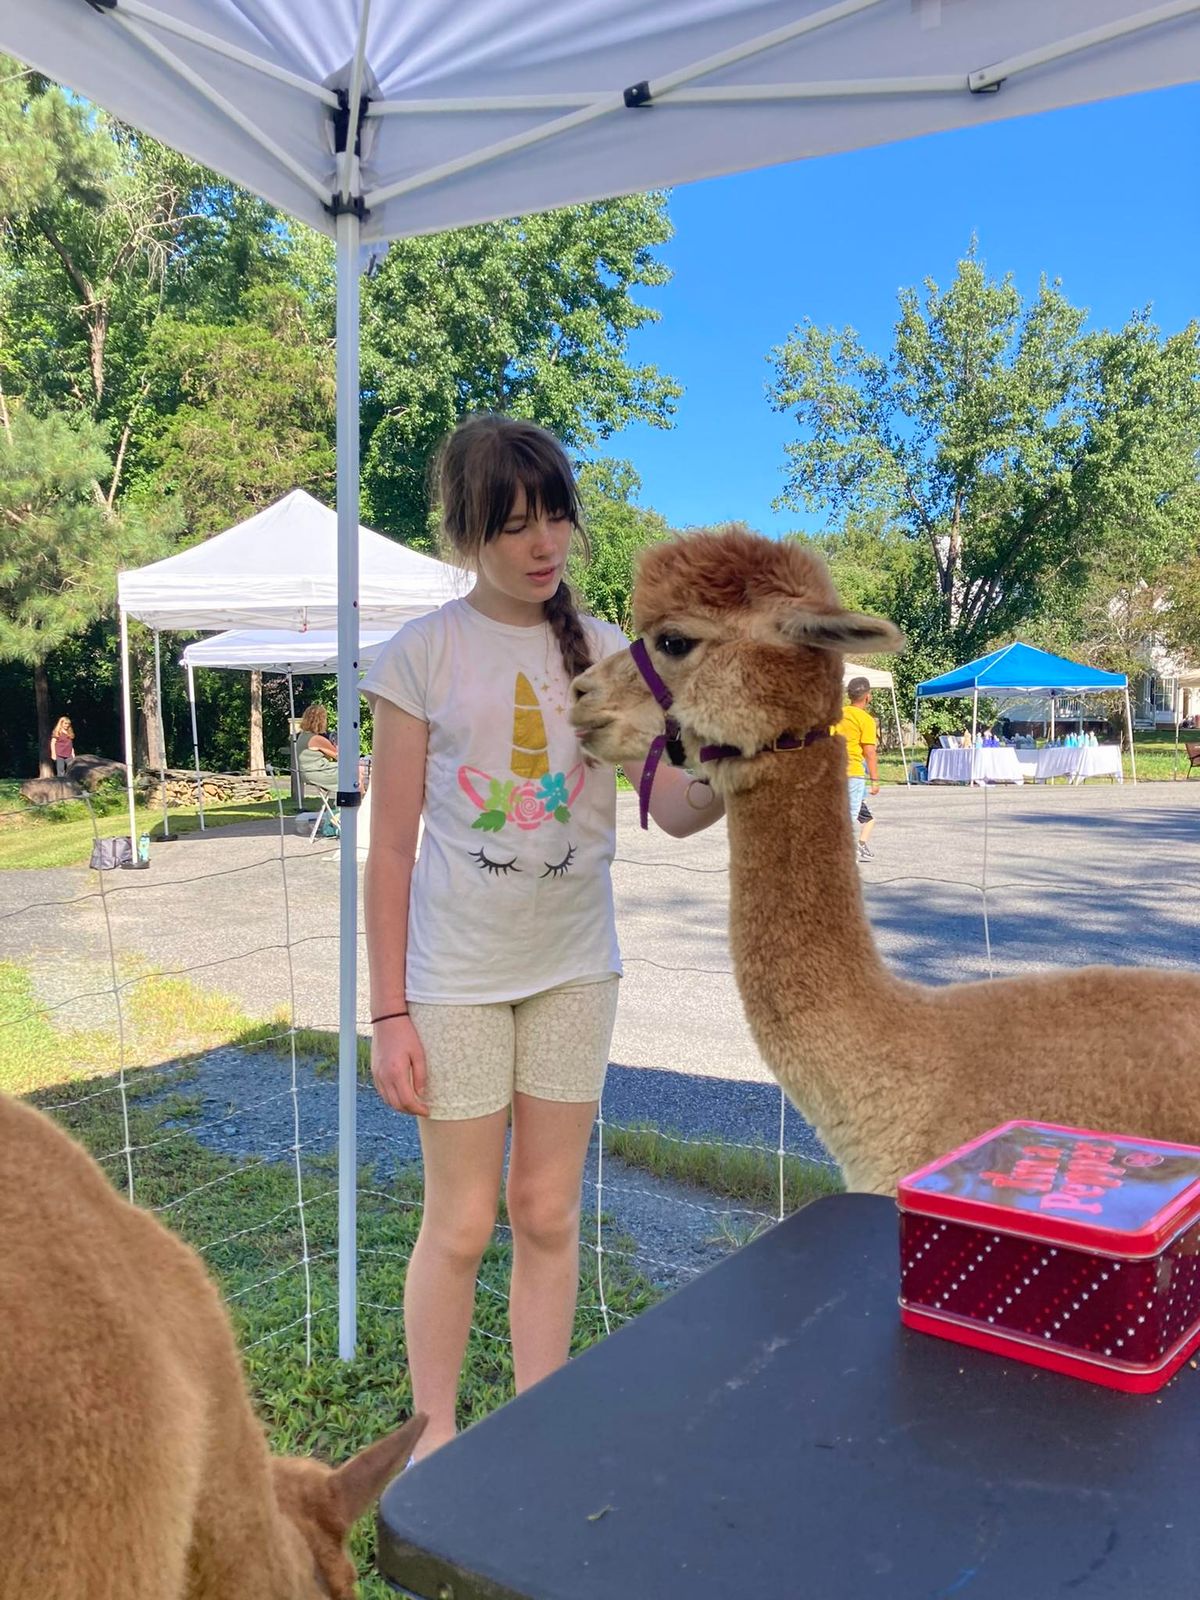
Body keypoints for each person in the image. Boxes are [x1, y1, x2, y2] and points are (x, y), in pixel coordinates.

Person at [362, 413, 724, 1463]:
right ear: (465, 531)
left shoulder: (611, 650)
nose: (542, 543)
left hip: (574, 969)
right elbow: (389, 854)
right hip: (455, 982)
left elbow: (672, 802)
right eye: (514, 523)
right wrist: (389, 1013)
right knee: (465, 1220)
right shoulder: (417, 656)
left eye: (555, 514)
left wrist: (752, 765)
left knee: (549, 1206)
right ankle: (433, 1447)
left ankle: (538, 1430)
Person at [832, 677, 879, 863]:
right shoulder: (866, 720)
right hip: (853, 773)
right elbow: (869, 751)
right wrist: (875, 779)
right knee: (850, 815)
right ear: (867, 697)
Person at [295, 704, 339, 792]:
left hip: (308, 773)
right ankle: (361, 800)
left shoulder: (302, 736)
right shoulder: (316, 739)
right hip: (319, 772)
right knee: (355, 770)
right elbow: (338, 756)